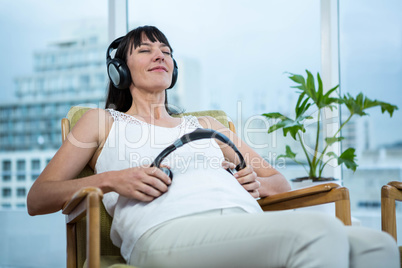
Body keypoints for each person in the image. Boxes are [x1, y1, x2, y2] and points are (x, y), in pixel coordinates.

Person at [27, 25, 399, 268]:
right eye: (145, 50)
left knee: (376, 247)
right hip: (165, 232)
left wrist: (251, 181)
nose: (161, 55)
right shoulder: (102, 122)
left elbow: (278, 185)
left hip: (241, 225)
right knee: (322, 233)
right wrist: (112, 180)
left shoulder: (206, 126)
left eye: (166, 51)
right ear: (120, 71)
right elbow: (39, 197)